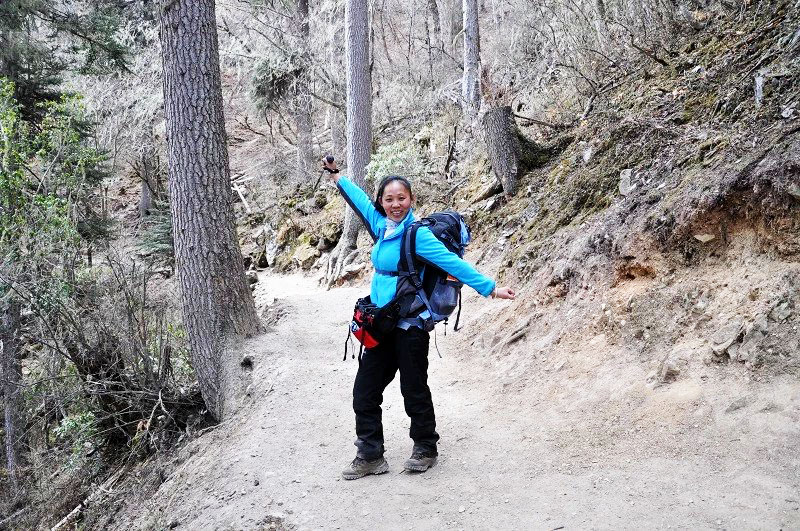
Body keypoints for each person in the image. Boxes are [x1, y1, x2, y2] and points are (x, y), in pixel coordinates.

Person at [323, 158, 516, 480]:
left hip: (410, 325)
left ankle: (425, 448)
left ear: (411, 200)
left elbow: (453, 264)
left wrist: (491, 288)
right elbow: (357, 199)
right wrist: (337, 177)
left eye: (401, 198)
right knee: (364, 391)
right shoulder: (380, 226)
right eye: (389, 199)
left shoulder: (418, 236)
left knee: (413, 389)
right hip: (381, 324)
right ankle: (370, 455)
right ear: (381, 202)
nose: (395, 204)